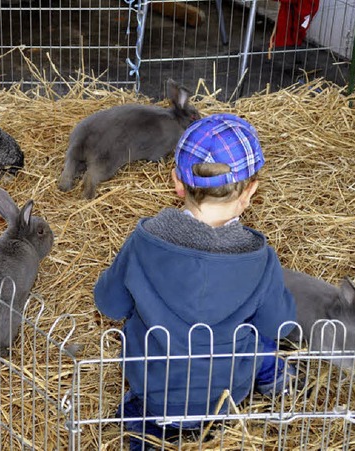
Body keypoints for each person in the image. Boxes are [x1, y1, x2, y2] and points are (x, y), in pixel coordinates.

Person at [94, 113, 297, 449]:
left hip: (156, 394)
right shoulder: (260, 258)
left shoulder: (145, 241)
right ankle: (274, 378)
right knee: (258, 340)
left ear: (176, 182)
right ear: (250, 191)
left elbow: (108, 302)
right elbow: (280, 326)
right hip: (225, 398)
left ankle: (146, 433)